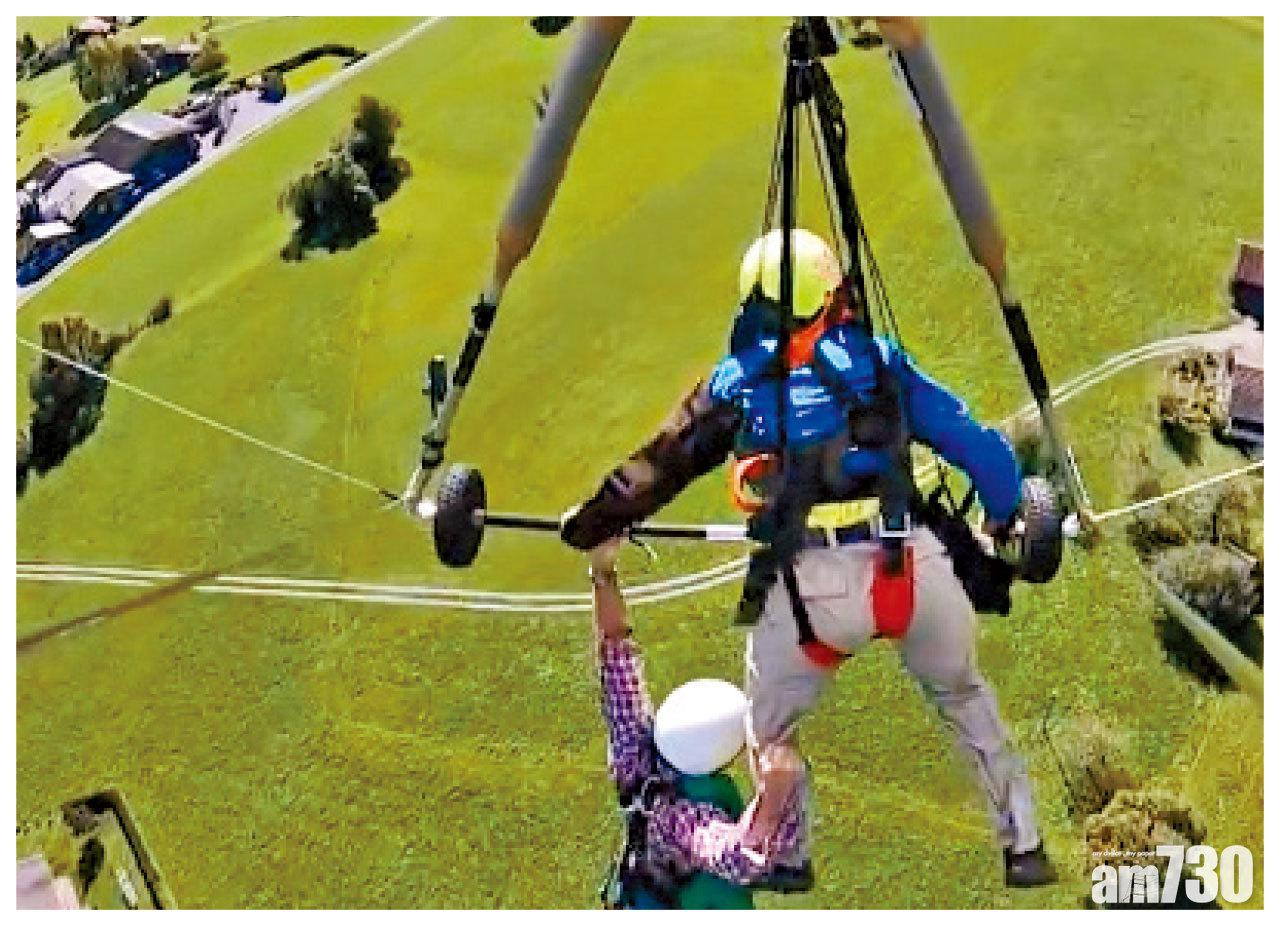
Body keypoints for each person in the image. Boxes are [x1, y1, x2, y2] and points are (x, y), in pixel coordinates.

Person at [563, 229, 1057, 888]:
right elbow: (976, 445)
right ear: (829, 295)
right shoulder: (881, 361)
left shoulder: (737, 384)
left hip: (807, 590)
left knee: (768, 726)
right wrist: (1005, 513)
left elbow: (656, 469)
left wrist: (591, 525)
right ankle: (1024, 845)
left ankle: (787, 855)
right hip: (909, 568)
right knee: (964, 697)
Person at [582, 535, 811, 908]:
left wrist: (602, 570)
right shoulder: (685, 818)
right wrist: (775, 794)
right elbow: (739, 860)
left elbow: (615, 650)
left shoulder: (635, 757)